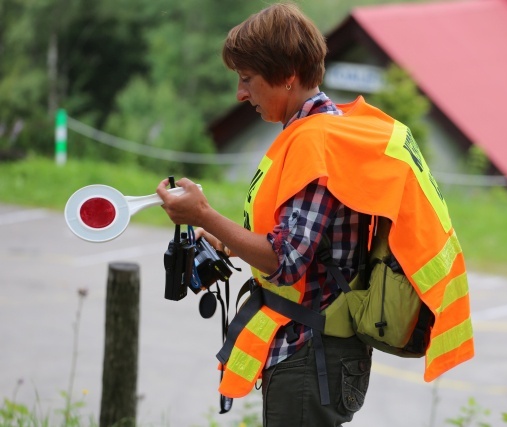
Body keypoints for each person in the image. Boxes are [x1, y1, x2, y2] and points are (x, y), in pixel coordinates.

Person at [157, 2, 474, 426]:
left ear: (287, 76)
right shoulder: (329, 129)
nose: (240, 93)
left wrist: (203, 215)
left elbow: (286, 262)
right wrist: (222, 240)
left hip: (310, 355)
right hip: (316, 351)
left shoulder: (315, 142)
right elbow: (298, 240)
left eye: (247, 79)